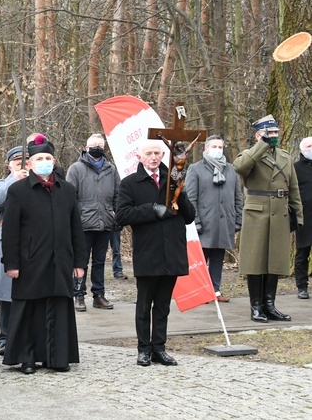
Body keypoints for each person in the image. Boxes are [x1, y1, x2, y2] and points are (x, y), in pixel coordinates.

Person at [2, 135, 86, 373]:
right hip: (30, 261)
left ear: (54, 160)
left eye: (48, 157)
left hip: (60, 260)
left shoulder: (67, 190)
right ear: (29, 163)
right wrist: (11, 263)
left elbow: (76, 229)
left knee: (59, 307)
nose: (44, 162)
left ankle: (57, 356)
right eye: (39, 158)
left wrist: (79, 261)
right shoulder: (18, 191)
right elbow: (10, 231)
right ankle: (27, 357)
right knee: (30, 310)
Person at [116, 139, 195, 367]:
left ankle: (159, 347)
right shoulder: (130, 183)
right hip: (148, 251)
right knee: (144, 304)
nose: (153, 157)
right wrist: (151, 210)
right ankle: (143, 349)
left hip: (172, 251)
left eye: (157, 153)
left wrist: (180, 192)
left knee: (162, 305)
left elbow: (189, 216)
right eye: (149, 153)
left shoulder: (173, 180)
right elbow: (122, 215)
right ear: (139, 157)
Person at [234, 115, 302, 322]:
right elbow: (240, 167)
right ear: (259, 135)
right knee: (255, 261)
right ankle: (256, 306)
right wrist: (261, 145)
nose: (273, 136)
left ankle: (270, 304)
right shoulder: (250, 154)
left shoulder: (285, 157)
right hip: (257, 213)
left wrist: (297, 216)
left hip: (280, 211)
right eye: (269, 133)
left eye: (275, 133)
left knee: (275, 260)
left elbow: (294, 189)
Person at [184, 135, 243, 302]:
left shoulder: (231, 169)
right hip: (204, 223)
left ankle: (215, 290)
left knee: (218, 257)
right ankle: (200, 291)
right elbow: (190, 198)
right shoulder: (195, 169)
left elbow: (238, 197)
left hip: (225, 223)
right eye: (214, 146)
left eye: (220, 147)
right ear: (206, 149)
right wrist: (195, 220)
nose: (217, 150)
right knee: (201, 259)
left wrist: (239, 219)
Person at [66, 133, 119, 311]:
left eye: (100, 144)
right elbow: (69, 197)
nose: (97, 147)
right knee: (80, 261)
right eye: (93, 144)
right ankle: (78, 294)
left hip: (105, 222)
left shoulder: (111, 170)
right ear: (86, 147)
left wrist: (115, 214)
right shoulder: (75, 169)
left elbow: (118, 194)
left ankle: (99, 294)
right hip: (82, 224)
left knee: (100, 261)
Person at [0, 146, 27, 355]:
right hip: (7, 239)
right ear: (9, 164)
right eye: (17, 161)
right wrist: (14, 179)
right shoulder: (0, 184)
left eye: (25, 160)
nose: (22, 164)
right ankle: (5, 337)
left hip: (32, 241)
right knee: (7, 294)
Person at [294, 136, 312, 300]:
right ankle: (302, 286)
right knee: (302, 253)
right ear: (301, 149)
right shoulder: (295, 168)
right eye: (309, 146)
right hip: (304, 217)